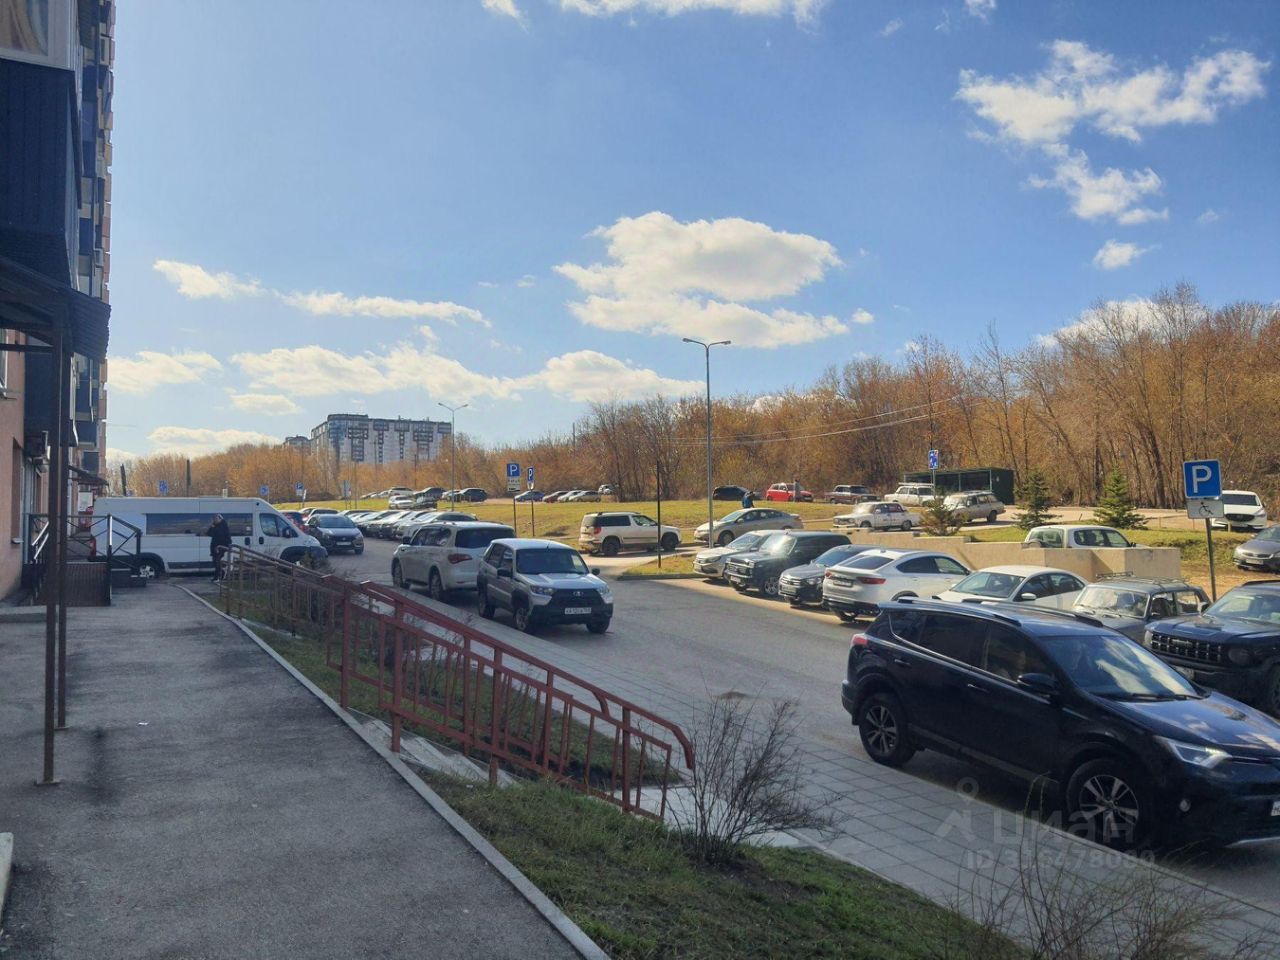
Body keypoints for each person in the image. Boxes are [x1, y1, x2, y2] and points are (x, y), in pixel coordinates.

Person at [206, 514, 232, 581]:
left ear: (220, 519)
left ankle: (217, 577)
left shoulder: (223, 526)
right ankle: (222, 572)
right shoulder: (215, 526)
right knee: (215, 562)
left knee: (217, 562)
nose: (215, 520)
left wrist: (221, 547)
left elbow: (222, 536)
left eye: (216, 519)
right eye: (214, 519)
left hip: (221, 547)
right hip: (215, 547)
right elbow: (209, 534)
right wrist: (211, 527)